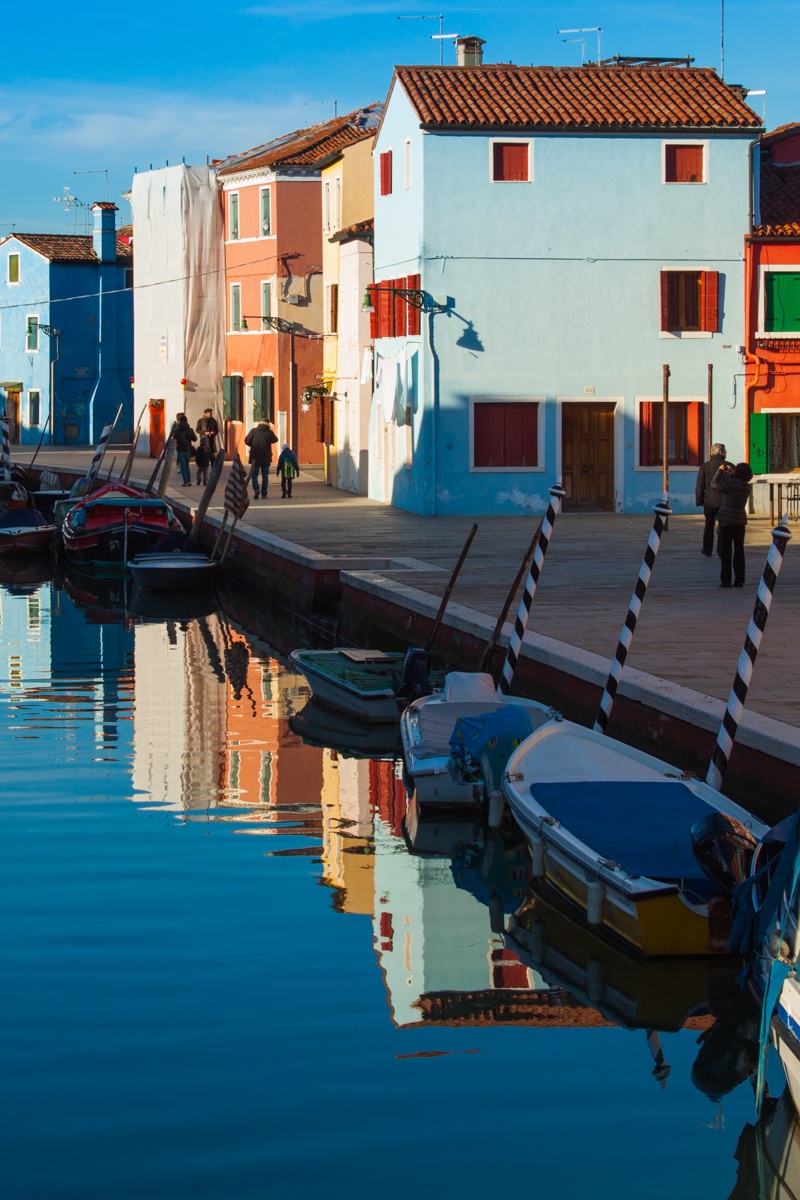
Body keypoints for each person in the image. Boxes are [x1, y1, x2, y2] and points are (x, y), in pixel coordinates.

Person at [712, 461, 753, 588]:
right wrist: (732, 474)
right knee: (739, 550)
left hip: (726, 520)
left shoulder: (729, 484)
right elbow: (737, 484)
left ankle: (726, 580)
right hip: (740, 520)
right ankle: (739, 579)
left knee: (726, 551)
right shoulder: (747, 487)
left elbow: (714, 485)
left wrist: (719, 471)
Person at [695, 442, 727, 557]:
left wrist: (699, 501)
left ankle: (707, 549)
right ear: (722, 452)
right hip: (725, 502)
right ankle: (721, 550)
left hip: (709, 501)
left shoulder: (705, 466)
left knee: (709, 526)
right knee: (723, 527)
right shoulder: (729, 466)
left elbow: (700, 485)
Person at [244, 418, 278, 498]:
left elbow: (246, 441)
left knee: (254, 474)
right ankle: (264, 494)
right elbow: (275, 439)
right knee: (265, 476)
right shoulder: (269, 433)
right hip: (266, 457)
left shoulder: (254, 431)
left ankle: (256, 489)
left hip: (255, 457)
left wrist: (253, 445)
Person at [172, 412, 196, 486]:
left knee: (183, 465)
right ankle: (189, 481)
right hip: (188, 449)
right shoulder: (190, 430)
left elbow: (174, 438)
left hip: (180, 449)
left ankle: (185, 481)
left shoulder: (177, 430)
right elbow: (195, 439)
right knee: (187, 465)